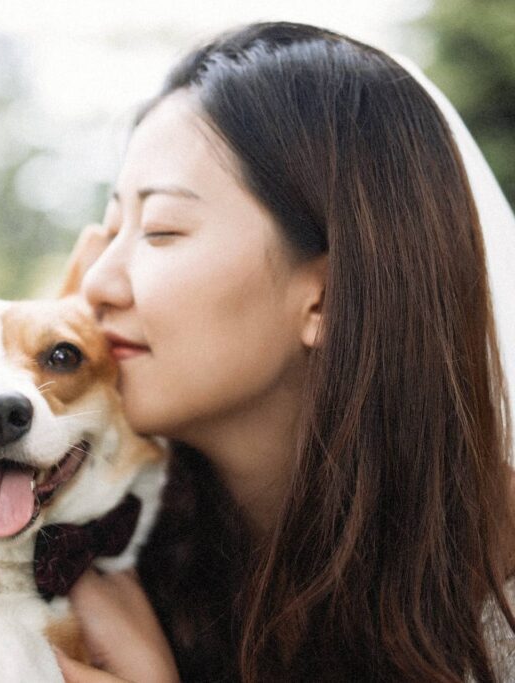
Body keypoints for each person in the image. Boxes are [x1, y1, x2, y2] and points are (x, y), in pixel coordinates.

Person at [57, 22, 515, 683]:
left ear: (325, 297)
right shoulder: (104, 549)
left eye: (160, 230)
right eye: (111, 226)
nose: (98, 280)